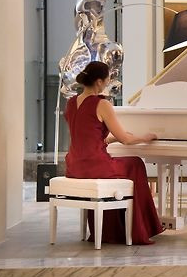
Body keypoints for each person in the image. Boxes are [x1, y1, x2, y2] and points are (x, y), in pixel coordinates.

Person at [65, 62, 164, 245]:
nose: (108, 82)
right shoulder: (102, 104)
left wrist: (110, 140)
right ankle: (141, 229)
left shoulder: (71, 103)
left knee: (127, 165)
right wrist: (145, 137)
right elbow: (126, 139)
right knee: (135, 163)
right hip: (95, 166)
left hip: (74, 166)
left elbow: (86, 136)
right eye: (108, 79)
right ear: (99, 81)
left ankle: (112, 230)